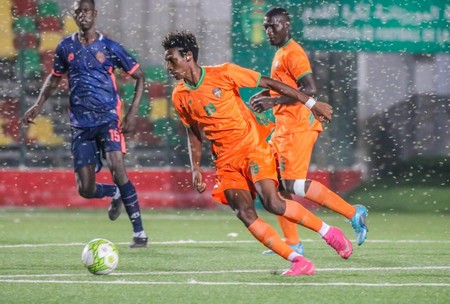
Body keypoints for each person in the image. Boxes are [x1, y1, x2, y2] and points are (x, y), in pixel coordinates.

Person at [162, 30, 353, 276]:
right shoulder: (179, 95)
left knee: (272, 202)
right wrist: (196, 167)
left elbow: (271, 83)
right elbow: (193, 132)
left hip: (253, 147)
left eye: (171, 59)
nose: (168, 65)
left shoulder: (223, 73)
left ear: (188, 56)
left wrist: (311, 104)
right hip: (226, 163)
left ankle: (330, 233)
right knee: (244, 212)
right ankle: (298, 261)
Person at [21, 0, 148, 248]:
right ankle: (115, 193)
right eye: (78, 11)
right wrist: (38, 103)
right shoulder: (65, 46)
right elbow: (54, 77)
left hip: (108, 117)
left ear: (95, 14)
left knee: (117, 166)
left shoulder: (109, 46)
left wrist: (132, 113)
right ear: (74, 15)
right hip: (81, 124)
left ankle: (139, 233)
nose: (82, 15)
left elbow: (139, 76)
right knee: (86, 189)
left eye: (86, 11)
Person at [250, 7, 368, 255]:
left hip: (298, 126)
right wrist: (268, 94)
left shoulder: (293, 53)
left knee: (292, 184)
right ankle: (293, 243)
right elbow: (289, 88)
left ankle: (352, 212)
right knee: (277, 186)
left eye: (274, 25)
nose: (270, 31)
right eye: (266, 27)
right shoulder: (280, 53)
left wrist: (273, 102)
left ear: (287, 26)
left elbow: (310, 89)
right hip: (284, 127)